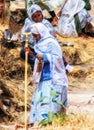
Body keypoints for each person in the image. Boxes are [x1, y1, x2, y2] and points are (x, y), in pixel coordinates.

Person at [28, 22, 68, 124]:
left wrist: (45, 57)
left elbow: (58, 57)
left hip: (52, 77)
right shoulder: (39, 43)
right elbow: (36, 59)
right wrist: (31, 53)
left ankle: (49, 122)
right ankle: (39, 121)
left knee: (49, 100)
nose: (35, 38)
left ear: (41, 32)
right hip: (42, 76)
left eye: (36, 36)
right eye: (34, 36)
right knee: (41, 100)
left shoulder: (51, 42)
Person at [20, 4, 74, 73]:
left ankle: (64, 66)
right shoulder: (29, 24)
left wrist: (52, 37)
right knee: (23, 53)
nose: (38, 18)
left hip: (45, 49)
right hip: (33, 49)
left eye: (39, 15)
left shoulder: (45, 23)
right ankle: (38, 66)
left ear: (41, 14)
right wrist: (26, 46)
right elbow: (24, 38)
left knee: (55, 50)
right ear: (31, 17)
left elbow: (52, 35)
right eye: (34, 17)